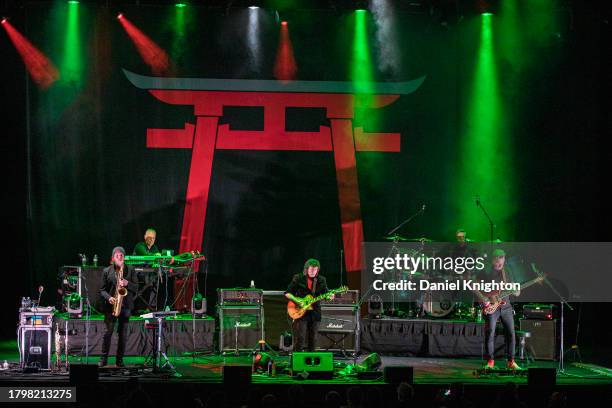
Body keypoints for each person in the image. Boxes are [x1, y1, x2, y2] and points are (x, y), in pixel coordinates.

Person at [481, 249, 520, 370]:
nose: (499, 260)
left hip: (506, 306)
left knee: (511, 333)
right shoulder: (486, 271)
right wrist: (486, 298)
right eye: (496, 258)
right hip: (493, 306)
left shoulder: (507, 271)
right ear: (492, 259)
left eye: (501, 257)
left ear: (504, 259)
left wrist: (515, 290)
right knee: (490, 332)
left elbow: (517, 292)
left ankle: (511, 362)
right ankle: (490, 362)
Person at [98, 246, 138, 367]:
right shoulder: (106, 271)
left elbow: (136, 288)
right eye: (117, 255)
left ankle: (119, 360)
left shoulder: (131, 270)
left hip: (125, 307)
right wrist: (109, 298)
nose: (120, 257)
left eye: (121, 255)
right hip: (111, 307)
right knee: (107, 333)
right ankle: (103, 359)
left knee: (123, 335)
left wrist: (127, 283)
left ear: (124, 258)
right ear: (113, 258)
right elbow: (102, 290)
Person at [285, 259, 333, 352]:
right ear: (306, 269)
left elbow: (326, 294)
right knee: (300, 338)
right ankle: (297, 361)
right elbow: (288, 293)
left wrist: (330, 297)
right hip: (300, 311)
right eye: (311, 269)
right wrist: (298, 301)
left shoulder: (321, 280)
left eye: (315, 270)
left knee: (313, 339)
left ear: (318, 270)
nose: (312, 272)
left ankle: (310, 361)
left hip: (315, 312)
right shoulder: (298, 278)